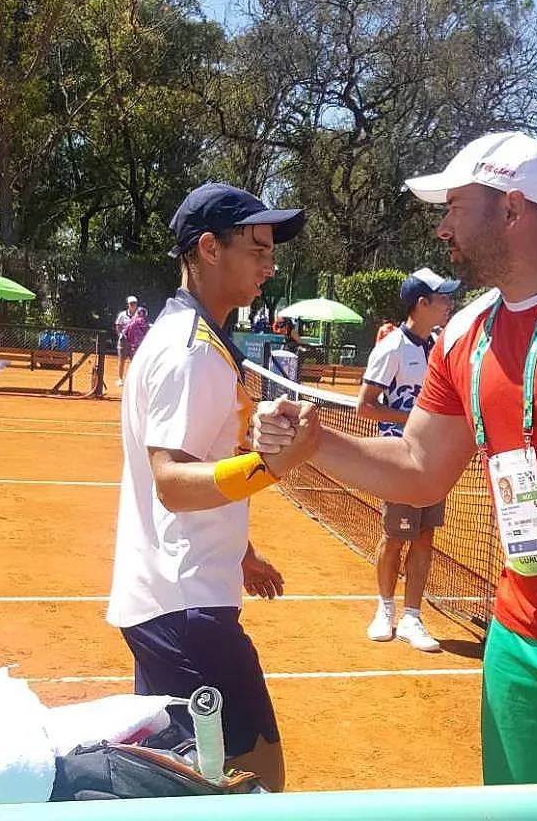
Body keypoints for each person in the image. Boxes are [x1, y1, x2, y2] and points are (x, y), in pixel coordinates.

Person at [253, 131, 537, 786]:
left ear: (511, 209)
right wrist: (316, 443)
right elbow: (419, 466)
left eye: (455, 207)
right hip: (515, 651)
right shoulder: (464, 334)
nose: (441, 228)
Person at [106, 181, 311, 793]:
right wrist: (272, 467)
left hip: (175, 598)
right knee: (256, 778)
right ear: (208, 249)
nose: (269, 264)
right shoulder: (190, 352)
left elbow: (195, 465)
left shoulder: (196, 339)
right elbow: (172, 482)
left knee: (183, 782)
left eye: (271, 250)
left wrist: (241, 553)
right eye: (256, 248)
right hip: (186, 608)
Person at [359, 268, 457, 652]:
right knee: (395, 537)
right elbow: (366, 407)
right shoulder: (391, 347)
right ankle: (384, 609)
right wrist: (413, 420)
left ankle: (413, 616)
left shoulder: (439, 346)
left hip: (435, 459)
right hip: (399, 458)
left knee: (425, 536)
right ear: (422, 304)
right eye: (443, 299)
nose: (448, 305)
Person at [115, 295, 138, 386]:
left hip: (134, 342)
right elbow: (118, 325)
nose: (133, 305)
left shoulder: (139, 315)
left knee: (134, 361)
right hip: (123, 341)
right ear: (128, 304)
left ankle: (132, 379)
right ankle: (120, 379)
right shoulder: (122, 315)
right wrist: (120, 335)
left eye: (134, 303)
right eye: (131, 303)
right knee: (122, 360)